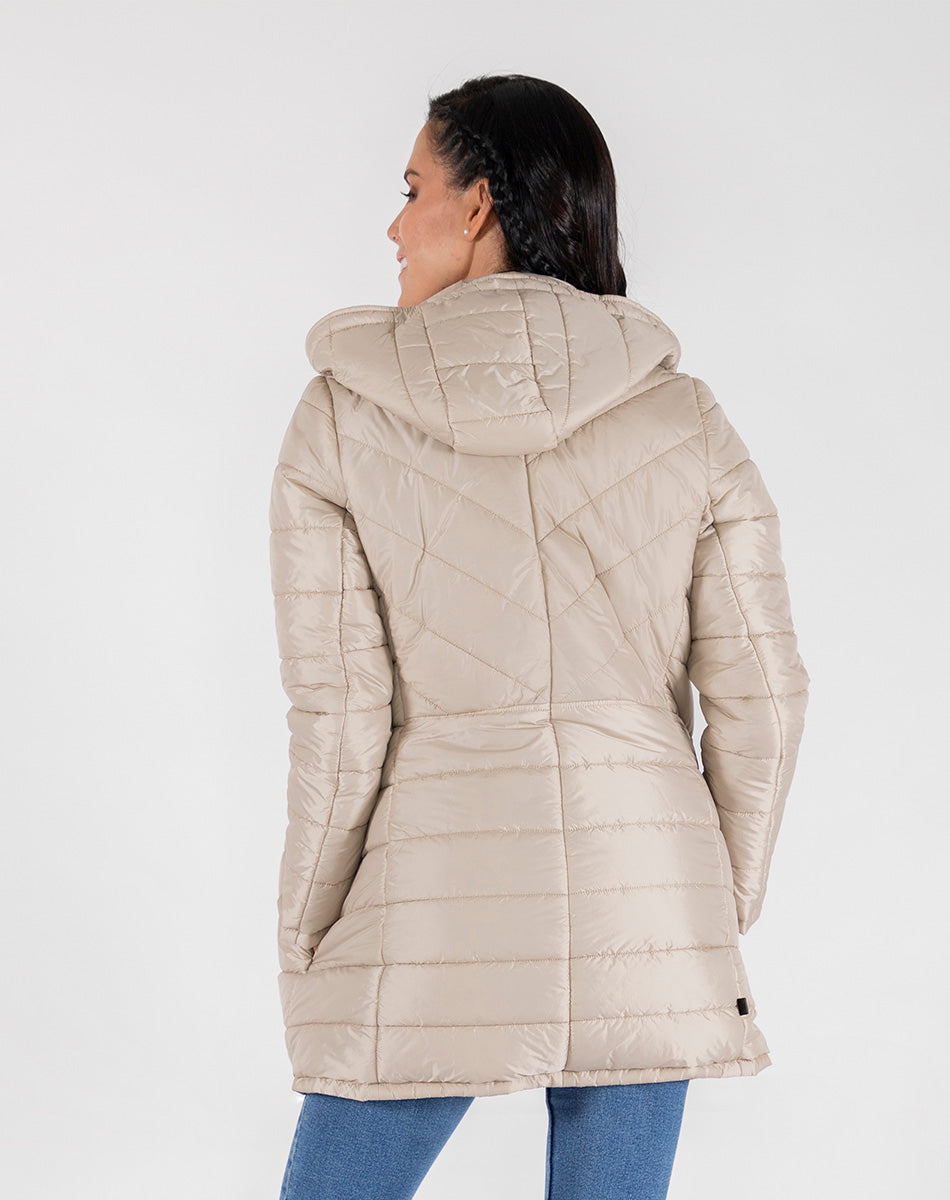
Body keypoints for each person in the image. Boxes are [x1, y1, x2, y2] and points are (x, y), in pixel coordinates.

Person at [268, 73, 810, 1200]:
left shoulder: (341, 415)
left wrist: (311, 928)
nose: (393, 226)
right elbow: (764, 692)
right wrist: (714, 896)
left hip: (431, 894)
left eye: (411, 189)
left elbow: (341, 716)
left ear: (476, 206)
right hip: (649, 892)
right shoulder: (683, 415)